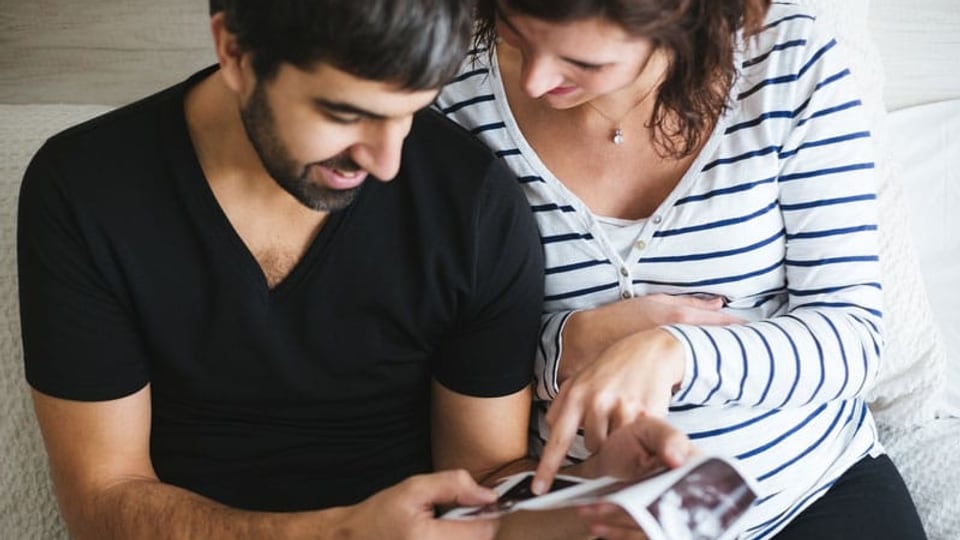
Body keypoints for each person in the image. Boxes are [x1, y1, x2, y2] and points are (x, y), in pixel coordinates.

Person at [437, 0, 927, 538]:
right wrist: (566, 346)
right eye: (516, 37)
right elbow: (452, 347)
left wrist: (676, 353)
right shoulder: (456, 96)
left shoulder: (786, 60)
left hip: (814, 491)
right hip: (593, 511)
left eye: (582, 61)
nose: (534, 80)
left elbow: (851, 338)